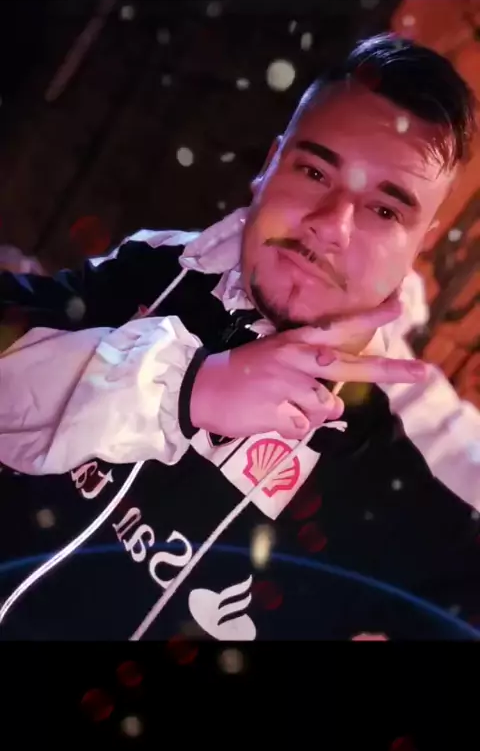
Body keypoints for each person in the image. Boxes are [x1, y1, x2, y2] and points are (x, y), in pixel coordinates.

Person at [0, 33, 479, 642]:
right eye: (314, 171)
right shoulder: (160, 265)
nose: (331, 226)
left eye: (385, 210)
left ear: (420, 243)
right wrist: (192, 388)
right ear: (268, 166)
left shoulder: (406, 473)